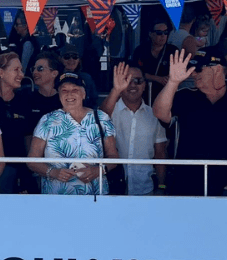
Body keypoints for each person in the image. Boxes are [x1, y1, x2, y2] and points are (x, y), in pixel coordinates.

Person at [153, 48, 227, 196]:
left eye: (199, 69)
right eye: (192, 69)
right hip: (186, 186)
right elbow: (159, 113)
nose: (193, 74)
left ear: (218, 69)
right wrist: (173, 82)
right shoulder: (185, 97)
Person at [28, 72, 119, 195]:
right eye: (64, 90)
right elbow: (32, 160)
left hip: (95, 197)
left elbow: (113, 156)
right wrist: (53, 172)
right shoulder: (47, 120)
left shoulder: (102, 118)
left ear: (83, 94)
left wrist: (98, 170)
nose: (69, 94)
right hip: (56, 198)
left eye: (75, 89)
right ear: (59, 95)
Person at [100, 62, 166, 195]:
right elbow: (100, 118)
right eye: (127, 80)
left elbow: (160, 153)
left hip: (145, 188)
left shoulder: (155, 115)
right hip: (111, 188)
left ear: (144, 85)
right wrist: (116, 90)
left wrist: (162, 186)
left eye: (138, 80)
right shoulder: (109, 111)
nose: (132, 85)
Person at [0, 52, 36, 193]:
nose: (21, 74)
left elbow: (28, 136)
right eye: (16, 70)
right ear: (1, 73)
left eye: (21, 69)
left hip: (19, 170)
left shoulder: (25, 100)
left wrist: (30, 169)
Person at [132, 18, 177, 103]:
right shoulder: (140, 50)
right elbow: (134, 72)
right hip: (143, 95)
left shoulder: (173, 51)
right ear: (151, 34)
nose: (163, 36)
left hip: (167, 95)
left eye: (166, 32)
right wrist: (157, 78)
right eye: (159, 33)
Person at [27, 51, 62, 129]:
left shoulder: (63, 100)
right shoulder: (28, 99)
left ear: (54, 73)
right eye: (33, 69)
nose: (34, 72)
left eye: (40, 68)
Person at [59, 44, 98, 109]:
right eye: (67, 57)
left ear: (79, 60)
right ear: (60, 59)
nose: (71, 60)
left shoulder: (86, 78)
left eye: (75, 57)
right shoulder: (54, 77)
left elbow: (93, 101)